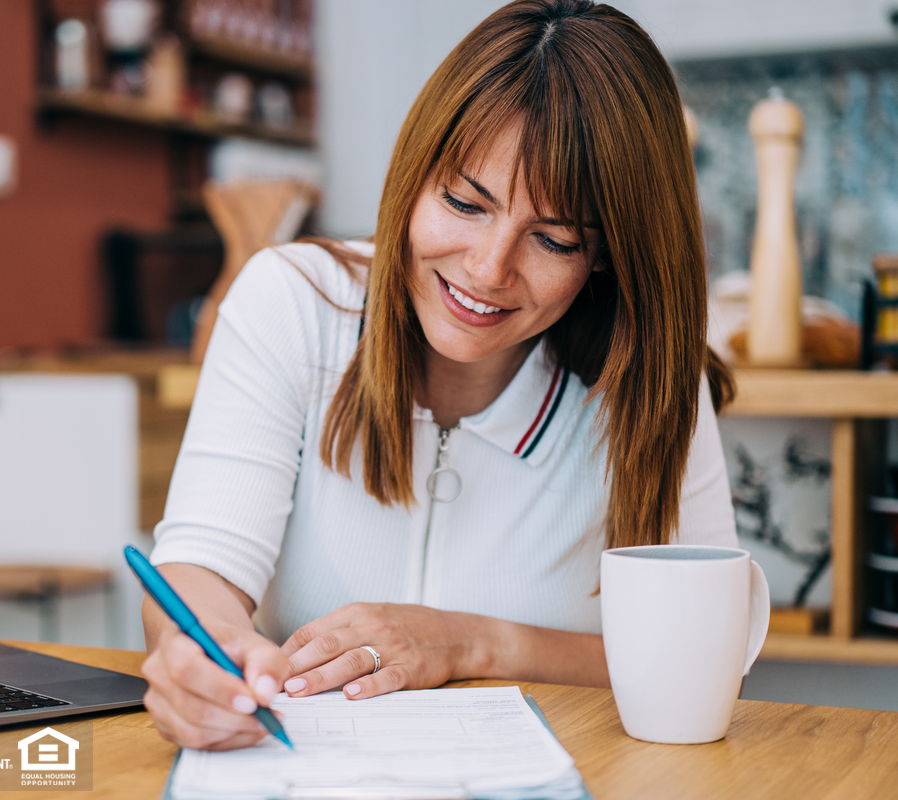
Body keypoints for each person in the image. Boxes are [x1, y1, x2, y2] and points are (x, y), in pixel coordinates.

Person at [141, 0, 739, 752]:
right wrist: (204, 655)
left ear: (607, 255)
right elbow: (203, 566)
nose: (488, 270)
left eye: (553, 240)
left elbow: (704, 662)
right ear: (414, 173)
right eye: (464, 202)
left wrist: (470, 643)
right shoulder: (291, 302)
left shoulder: (651, 383)